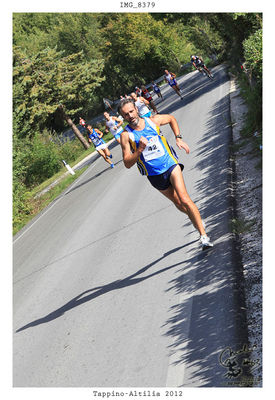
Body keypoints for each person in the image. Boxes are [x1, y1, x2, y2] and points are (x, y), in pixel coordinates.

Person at [118, 98, 213, 251]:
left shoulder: (153, 121)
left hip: (170, 164)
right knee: (178, 203)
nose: (130, 116)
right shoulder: (126, 136)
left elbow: (171, 119)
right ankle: (195, 218)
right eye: (126, 114)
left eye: (131, 111)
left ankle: (203, 235)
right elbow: (127, 163)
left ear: (136, 109)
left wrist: (178, 138)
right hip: (154, 175)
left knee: (184, 198)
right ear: (123, 117)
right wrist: (139, 150)